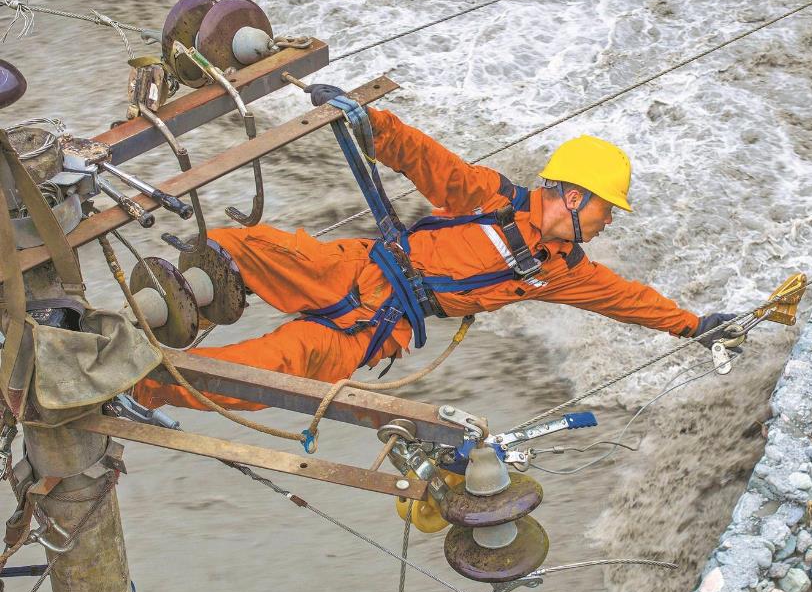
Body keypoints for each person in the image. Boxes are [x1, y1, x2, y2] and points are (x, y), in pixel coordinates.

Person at [135, 87, 734, 411]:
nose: (609, 222)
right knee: (235, 246)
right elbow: (432, 163)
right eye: (607, 209)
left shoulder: (561, 272)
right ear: (575, 198)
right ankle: (173, 316)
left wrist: (694, 326)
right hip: (351, 267)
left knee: (266, 372)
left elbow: (628, 300)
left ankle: (140, 387)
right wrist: (371, 124)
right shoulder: (494, 199)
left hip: (373, 328)